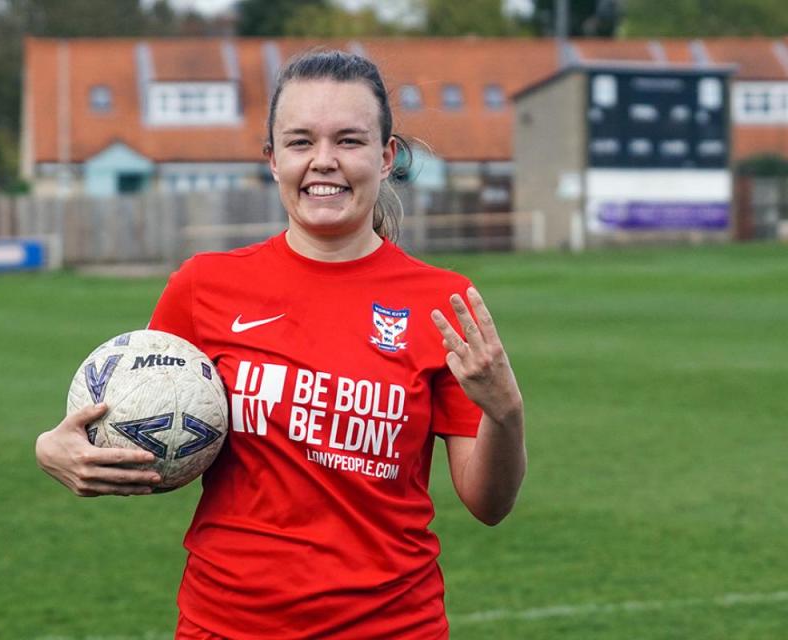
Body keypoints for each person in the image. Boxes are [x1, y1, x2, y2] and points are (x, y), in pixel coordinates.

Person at [36, 50, 526, 639]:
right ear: (272, 159)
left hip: (392, 627)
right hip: (225, 624)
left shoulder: (442, 302)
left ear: (387, 155)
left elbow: (488, 504)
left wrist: (506, 414)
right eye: (300, 142)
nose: (324, 162)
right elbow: (143, 423)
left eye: (349, 140)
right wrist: (53, 448)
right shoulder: (203, 287)